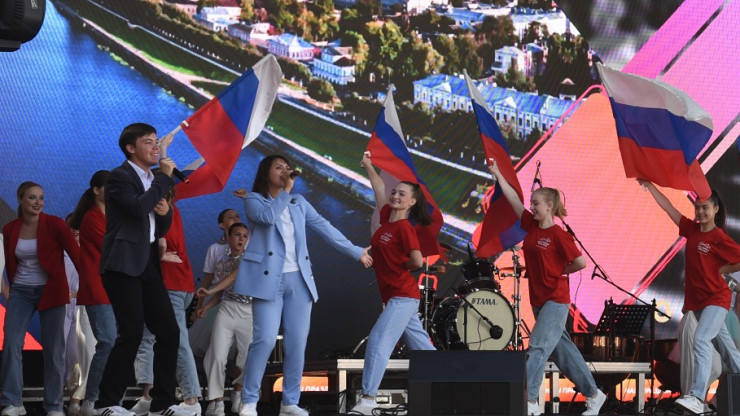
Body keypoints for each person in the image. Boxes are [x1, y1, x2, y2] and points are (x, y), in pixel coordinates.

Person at [232, 154, 372, 416]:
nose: (285, 171)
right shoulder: (254, 199)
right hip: (267, 278)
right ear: (266, 174)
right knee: (263, 339)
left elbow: (325, 228)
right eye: (278, 168)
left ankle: (289, 402)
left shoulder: (299, 202)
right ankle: (249, 400)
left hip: (299, 278)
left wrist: (356, 252)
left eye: (287, 168)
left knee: (297, 342)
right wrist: (285, 192)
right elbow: (267, 218)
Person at [488, 161, 606, 416]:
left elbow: (580, 262)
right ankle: (595, 395)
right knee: (564, 353)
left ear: (550, 206)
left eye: (536, 204)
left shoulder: (560, 235)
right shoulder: (531, 225)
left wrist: (558, 271)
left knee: (538, 347)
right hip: (539, 299)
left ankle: (529, 401)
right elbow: (513, 201)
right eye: (531, 204)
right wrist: (498, 174)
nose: (532, 207)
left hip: (556, 299)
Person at [94, 123, 194, 416]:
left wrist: (166, 213)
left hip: (148, 262)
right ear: (130, 148)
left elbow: (154, 226)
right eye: (148, 142)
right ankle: (106, 403)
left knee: (169, 331)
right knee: (131, 332)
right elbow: (137, 209)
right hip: (122, 263)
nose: (155, 147)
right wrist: (164, 178)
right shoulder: (119, 177)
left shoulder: (153, 178)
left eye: (156, 142)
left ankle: (162, 404)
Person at [641, 180, 740, 414]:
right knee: (731, 354)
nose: (700, 211)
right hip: (697, 304)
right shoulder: (691, 230)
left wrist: (723, 272)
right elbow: (669, 208)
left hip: (716, 300)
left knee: (701, 339)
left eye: (705, 207)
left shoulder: (720, 238)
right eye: (697, 207)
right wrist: (651, 185)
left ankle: (696, 396)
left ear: (715, 210)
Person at [350, 153, 436, 415]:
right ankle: (453, 383)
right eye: (395, 192)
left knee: (378, 340)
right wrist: (367, 166)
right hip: (396, 297)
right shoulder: (388, 220)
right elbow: (379, 189)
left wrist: (403, 267)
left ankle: (367, 400)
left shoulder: (404, 229)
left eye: (401, 194)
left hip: (403, 296)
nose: (395, 196)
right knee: (423, 350)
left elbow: (418, 261)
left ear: (412, 202)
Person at [1, 181, 81, 416]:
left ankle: (54, 405)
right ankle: (13, 402)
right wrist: (12, 288)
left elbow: (77, 256)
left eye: (41, 198)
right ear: (20, 199)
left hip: (51, 290)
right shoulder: (10, 229)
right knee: (11, 344)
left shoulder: (55, 224)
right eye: (32, 198)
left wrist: (89, 287)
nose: (38, 203)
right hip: (22, 292)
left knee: (55, 350)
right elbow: (10, 262)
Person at [129, 184, 202, 416]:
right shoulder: (164, 207)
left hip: (171, 283)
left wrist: (158, 256)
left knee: (175, 339)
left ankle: (192, 401)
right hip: (163, 283)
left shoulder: (162, 207)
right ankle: (150, 396)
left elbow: (164, 244)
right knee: (147, 338)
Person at [67, 170, 117, 416]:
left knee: (112, 342)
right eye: (109, 186)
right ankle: (89, 401)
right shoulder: (91, 218)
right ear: (96, 190)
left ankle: (95, 400)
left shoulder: (114, 216)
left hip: (115, 288)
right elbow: (112, 248)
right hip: (97, 288)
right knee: (106, 341)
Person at [196, 223, 252, 416]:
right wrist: (206, 306)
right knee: (216, 356)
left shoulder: (251, 258)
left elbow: (233, 279)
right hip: (226, 310)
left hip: (249, 312)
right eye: (237, 235)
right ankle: (217, 402)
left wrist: (210, 290)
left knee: (246, 359)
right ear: (228, 237)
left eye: (245, 236)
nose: (241, 239)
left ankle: (238, 394)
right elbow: (222, 292)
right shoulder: (222, 260)